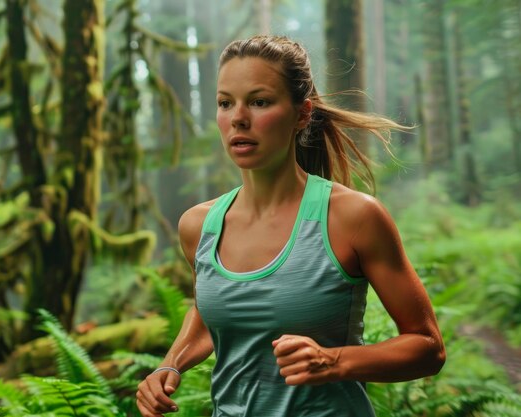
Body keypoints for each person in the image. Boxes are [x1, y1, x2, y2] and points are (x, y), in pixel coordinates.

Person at [136, 35, 445, 417]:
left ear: (302, 114)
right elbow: (208, 310)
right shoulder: (200, 225)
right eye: (225, 103)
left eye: (260, 101)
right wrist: (170, 364)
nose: (238, 118)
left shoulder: (352, 218)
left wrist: (334, 361)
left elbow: (427, 347)